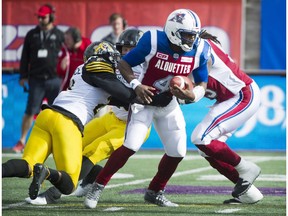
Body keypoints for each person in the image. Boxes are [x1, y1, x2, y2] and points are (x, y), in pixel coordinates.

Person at [83, 9, 211, 209]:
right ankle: (97, 185)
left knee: (178, 152)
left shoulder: (200, 48)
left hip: (168, 104)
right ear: (173, 31)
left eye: (193, 35)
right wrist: (136, 85)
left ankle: (155, 191)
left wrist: (194, 95)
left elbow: (203, 81)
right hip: (144, 101)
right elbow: (125, 63)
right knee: (130, 145)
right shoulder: (153, 40)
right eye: (187, 35)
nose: (191, 40)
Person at [2, 41, 143, 200]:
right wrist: (147, 95)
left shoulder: (81, 70)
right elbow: (124, 93)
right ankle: (46, 172)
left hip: (47, 116)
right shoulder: (97, 67)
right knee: (69, 183)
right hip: (67, 122)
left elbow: (118, 97)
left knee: (28, 165)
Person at [172, 30, 263, 204]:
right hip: (229, 100)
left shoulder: (203, 50)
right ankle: (249, 193)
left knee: (201, 137)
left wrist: (187, 93)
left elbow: (200, 81)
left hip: (243, 95)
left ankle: (246, 168)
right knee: (205, 148)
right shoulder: (192, 54)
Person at [13, 4, 64, 153]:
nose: (41, 19)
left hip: (55, 79)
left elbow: (67, 55)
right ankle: (22, 140)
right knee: (30, 110)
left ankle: (58, 140)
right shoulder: (32, 34)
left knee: (58, 112)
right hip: (36, 79)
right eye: (39, 17)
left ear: (51, 17)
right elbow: (24, 57)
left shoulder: (60, 35)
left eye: (44, 17)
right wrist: (23, 75)